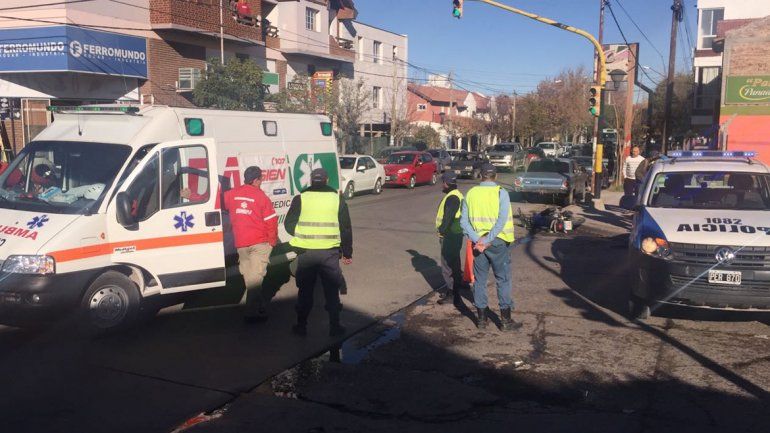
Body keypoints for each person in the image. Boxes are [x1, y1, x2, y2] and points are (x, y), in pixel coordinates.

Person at [285, 168, 353, 337]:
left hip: (306, 252)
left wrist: (302, 234)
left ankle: (301, 326)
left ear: (311, 180)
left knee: (305, 291)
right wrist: (347, 252)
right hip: (329, 253)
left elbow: (288, 224)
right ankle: (335, 327)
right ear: (326, 179)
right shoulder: (337, 199)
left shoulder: (301, 198)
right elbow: (345, 228)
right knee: (331, 291)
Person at [460, 164, 522, 331]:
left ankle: (481, 321)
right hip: (498, 243)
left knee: (480, 281)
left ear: (480, 175)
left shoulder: (471, 193)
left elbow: (463, 221)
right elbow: (501, 221)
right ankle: (506, 322)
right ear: (495, 176)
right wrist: (488, 239)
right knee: (503, 280)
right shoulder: (501, 193)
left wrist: (478, 239)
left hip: (478, 244)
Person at [224, 166, 278, 323]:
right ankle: (252, 313)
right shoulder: (261, 197)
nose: (261, 181)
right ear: (255, 180)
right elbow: (271, 221)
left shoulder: (232, 194)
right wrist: (272, 241)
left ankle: (258, 306)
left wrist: (191, 195)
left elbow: (214, 201)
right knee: (254, 280)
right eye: (260, 179)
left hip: (241, 244)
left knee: (251, 278)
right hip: (260, 243)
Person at [435, 171, 464, 305]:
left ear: (446, 183)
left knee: (447, 266)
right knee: (454, 263)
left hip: (450, 236)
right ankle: (455, 290)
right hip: (455, 234)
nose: (442, 185)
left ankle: (452, 293)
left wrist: (442, 231)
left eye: (443, 183)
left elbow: (448, 218)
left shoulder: (452, 198)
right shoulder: (456, 195)